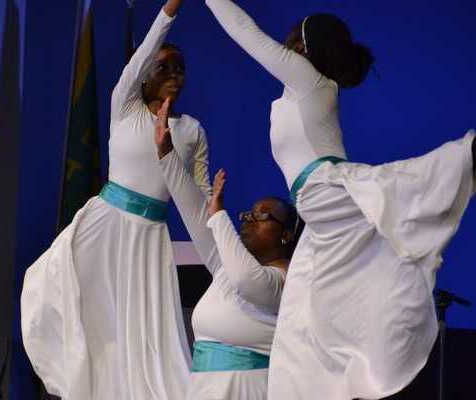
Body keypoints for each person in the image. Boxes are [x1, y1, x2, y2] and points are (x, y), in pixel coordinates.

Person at [204, 0, 476, 398]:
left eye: (294, 39)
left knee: (414, 183)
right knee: (302, 317)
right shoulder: (305, 87)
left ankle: (466, 158)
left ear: (305, 48)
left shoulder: (307, 79)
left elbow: (245, 32)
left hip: (327, 189)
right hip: (318, 213)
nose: (286, 45)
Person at [20, 1, 212, 399]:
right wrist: (168, 12)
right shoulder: (125, 108)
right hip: (105, 225)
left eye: (180, 69)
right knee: (72, 302)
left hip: (148, 238)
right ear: (144, 78)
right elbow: (142, 55)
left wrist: (224, 240)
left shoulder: (191, 130)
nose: (174, 75)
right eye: (164, 68)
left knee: (144, 332)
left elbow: (201, 197)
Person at [155, 98, 303, 400]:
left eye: (261, 216)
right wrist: (166, 155)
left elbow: (248, 282)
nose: (248, 221)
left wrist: (220, 217)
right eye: (247, 214)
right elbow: (194, 211)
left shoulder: (288, 281)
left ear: (286, 234)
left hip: (250, 390)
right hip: (204, 388)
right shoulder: (227, 267)